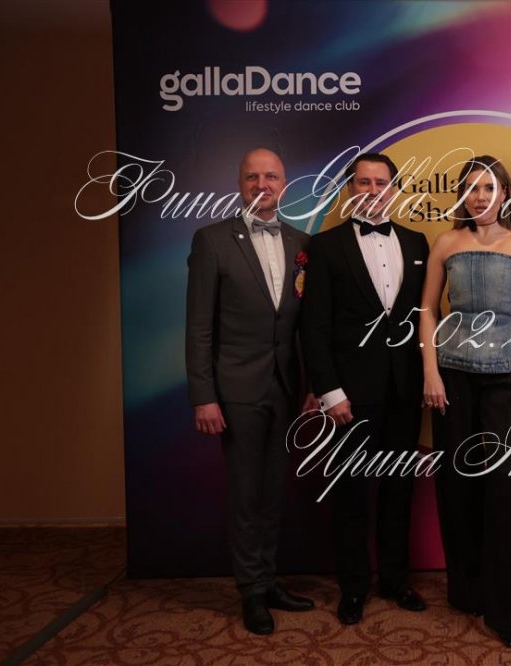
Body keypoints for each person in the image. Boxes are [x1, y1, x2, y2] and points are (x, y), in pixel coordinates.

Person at [419, 155, 511, 647]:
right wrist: (430, 371)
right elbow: (427, 310)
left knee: (501, 488)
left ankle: (508, 610)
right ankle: (467, 590)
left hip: (509, 377)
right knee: (457, 486)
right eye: (471, 188)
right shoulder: (446, 242)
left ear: (504, 192)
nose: (480, 197)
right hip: (452, 377)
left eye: (489, 187)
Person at [185, 148, 315, 635]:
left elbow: (304, 327)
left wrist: (311, 386)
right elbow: (198, 327)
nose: (263, 184)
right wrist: (203, 395)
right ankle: (251, 592)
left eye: (271, 176)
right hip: (236, 390)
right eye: (252, 176)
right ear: (239, 183)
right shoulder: (212, 241)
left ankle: (269, 579)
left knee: (273, 490)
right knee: (246, 493)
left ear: (284, 183)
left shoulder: (302, 242)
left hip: (285, 387)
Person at [300, 152, 429, 625]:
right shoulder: (324, 246)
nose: (372, 190)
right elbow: (314, 326)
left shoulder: (417, 242)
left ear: (393, 189)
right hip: (350, 396)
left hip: (404, 390)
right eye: (363, 182)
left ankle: (394, 579)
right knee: (351, 493)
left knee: (399, 490)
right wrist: (330, 391)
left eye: (381, 182)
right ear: (350, 190)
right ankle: (353, 587)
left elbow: (424, 316)